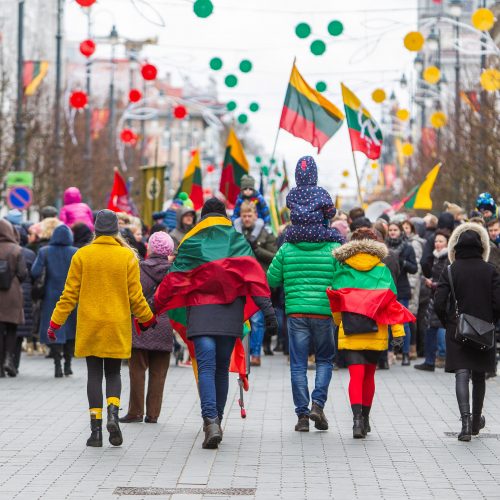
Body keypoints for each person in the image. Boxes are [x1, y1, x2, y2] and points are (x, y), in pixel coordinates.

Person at [155, 198, 276, 449]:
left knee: (206, 367)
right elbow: (254, 276)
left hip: (200, 314)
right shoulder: (237, 241)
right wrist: (268, 311)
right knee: (221, 369)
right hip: (230, 315)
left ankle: (211, 422)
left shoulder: (191, 242)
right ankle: (217, 419)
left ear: (202, 217)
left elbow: (173, 279)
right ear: (225, 217)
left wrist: (150, 311)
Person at [47, 210, 156, 448]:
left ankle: (95, 431)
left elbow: (69, 295)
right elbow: (136, 297)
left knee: (94, 375)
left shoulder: (82, 255)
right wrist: (147, 319)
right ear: (117, 230)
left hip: (90, 324)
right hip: (116, 323)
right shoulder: (126, 257)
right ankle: (114, 416)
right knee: (114, 373)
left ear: (95, 229)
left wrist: (55, 323)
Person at [327, 228, 413, 438]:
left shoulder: (343, 268)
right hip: (376, 331)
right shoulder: (382, 269)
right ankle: (365, 419)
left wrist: (339, 323)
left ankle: (356, 422)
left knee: (355, 377)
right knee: (369, 377)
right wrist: (398, 332)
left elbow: (336, 302)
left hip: (351, 330)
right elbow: (392, 303)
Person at [267, 203, 340, 432]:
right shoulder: (333, 248)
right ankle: (317, 404)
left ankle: (302, 416)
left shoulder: (287, 248)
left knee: (298, 365)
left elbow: (271, 279)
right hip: (324, 312)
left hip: (296, 312)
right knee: (325, 360)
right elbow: (341, 279)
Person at [434, 222, 500, 441]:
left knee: (462, 374)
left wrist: (449, 322)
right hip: (483, 329)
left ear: (456, 248)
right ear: (481, 248)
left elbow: (439, 302)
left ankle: (464, 424)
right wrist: (491, 322)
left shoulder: (450, 270)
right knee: (479, 375)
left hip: (457, 328)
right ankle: (475, 422)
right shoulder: (491, 270)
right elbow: (498, 303)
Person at [120, 232, 175, 424]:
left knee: (137, 370)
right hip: (165, 326)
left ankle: (135, 412)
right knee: (159, 373)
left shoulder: (139, 269)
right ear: (169, 251)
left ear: (150, 248)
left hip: (140, 324)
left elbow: (132, 297)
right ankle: (153, 414)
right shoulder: (174, 272)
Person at [32, 225, 78, 377]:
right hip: (72, 297)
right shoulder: (75, 252)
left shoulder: (44, 251)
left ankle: (57, 365)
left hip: (51, 296)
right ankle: (68, 365)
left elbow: (35, 272)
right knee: (71, 330)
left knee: (55, 329)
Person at [234, 201, 277, 364]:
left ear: (255, 216)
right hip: (239, 281)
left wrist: (257, 249)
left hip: (258, 281)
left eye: (249, 215)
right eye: (243, 216)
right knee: (241, 319)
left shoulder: (265, 233)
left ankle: (255, 353)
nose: (246, 219)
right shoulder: (235, 232)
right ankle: (242, 353)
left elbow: (274, 255)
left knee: (257, 320)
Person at [415, 229, 451, 371]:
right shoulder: (436, 256)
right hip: (434, 297)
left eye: (441, 241)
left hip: (443, 298)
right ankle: (430, 361)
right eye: (436, 241)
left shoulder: (448, 257)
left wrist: (433, 284)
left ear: (447, 243)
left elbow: (446, 279)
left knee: (441, 328)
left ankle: (441, 358)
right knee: (430, 327)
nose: (437, 244)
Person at [284, 156, 342, 244]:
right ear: (314, 174)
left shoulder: (292, 193)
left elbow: (289, 205)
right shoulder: (321, 192)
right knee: (340, 238)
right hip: (318, 232)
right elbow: (331, 213)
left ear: (297, 174)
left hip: (295, 233)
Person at [385, 221, 418, 365]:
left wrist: (403, 262)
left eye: (395, 230)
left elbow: (414, 268)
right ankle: (389, 353)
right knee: (387, 323)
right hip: (388, 289)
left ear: (400, 232)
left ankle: (405, 354)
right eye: (390, 230)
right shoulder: (384, 248)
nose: (392, 232)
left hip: (402, 289)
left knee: (403, 323)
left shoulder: (408, 248)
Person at [0, 220, 27, 377]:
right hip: (13, 293)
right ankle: (9, 360)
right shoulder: (16, 249)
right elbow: (23, 273)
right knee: (11, 328)